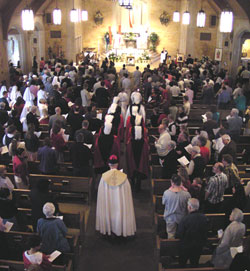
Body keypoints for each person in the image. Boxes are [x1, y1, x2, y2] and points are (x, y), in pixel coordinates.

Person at [96, 155, 136, 237]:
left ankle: (108, 228)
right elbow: (127, 195)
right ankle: (121, 228)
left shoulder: (104, 178)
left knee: (108, 209)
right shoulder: (124, 178)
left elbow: (101, 196)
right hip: (120, 204)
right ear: (117, 164)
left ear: (109, 164)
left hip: (109, 203)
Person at [175, 198, 208, 268]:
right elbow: (205, 232)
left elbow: (179, 234)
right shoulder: (204, 218)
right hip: (198, 246)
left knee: (182, 263)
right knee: (194, 263)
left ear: (189, 207)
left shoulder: (185, 219)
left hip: (186, 246)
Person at [162, 174, 191, 239]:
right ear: (181, 183)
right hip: (182, 217)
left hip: (170, 217)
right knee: (181, 234)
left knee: (171, 234)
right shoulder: (186, 194)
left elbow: (163, 203)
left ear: (172, 182)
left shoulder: (166, 193)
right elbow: (188, 206)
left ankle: (171, 247)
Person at [126, 126, 149, 192]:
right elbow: (146, 153)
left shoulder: (130, 141)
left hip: (132, 160)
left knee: (133, 171)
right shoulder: (144, 142)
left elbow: (128, 153)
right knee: (139, 172)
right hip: (140, 161)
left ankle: (133, 184)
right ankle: (138, 186)